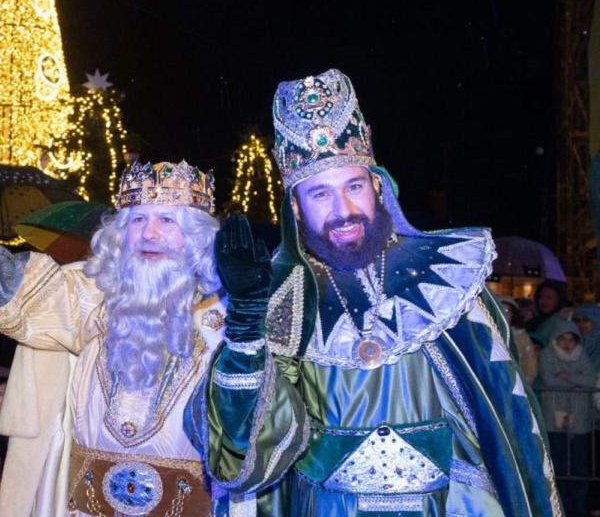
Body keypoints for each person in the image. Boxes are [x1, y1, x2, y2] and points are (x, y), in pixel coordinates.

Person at [197, 69, 560, 515]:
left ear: (377, 185)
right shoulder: (279, 297)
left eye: (353, 186)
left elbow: (506, 426)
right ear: (295, 206)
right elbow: (246, 459)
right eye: (320, 195)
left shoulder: (449, 277)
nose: (343, 211)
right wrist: (247, 331)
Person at [0, 107, 227, 515]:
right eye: (137, 220)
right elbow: (4, 285)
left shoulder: (232, 319)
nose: (150, 234)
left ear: (197, 238)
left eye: (167, 220)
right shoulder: (91, 296)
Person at [539, 318, 595, 517]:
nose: (567, 344)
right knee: (558, 464)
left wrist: (567, 376)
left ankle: (578, 507)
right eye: (562, 339)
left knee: (579, 465)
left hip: (579, 419)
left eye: (571, 339)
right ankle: (559, 505)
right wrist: (575, 380)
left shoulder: (582, 356)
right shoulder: (547, 355)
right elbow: (549, 378)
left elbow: (590, 380)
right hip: (554, 416)